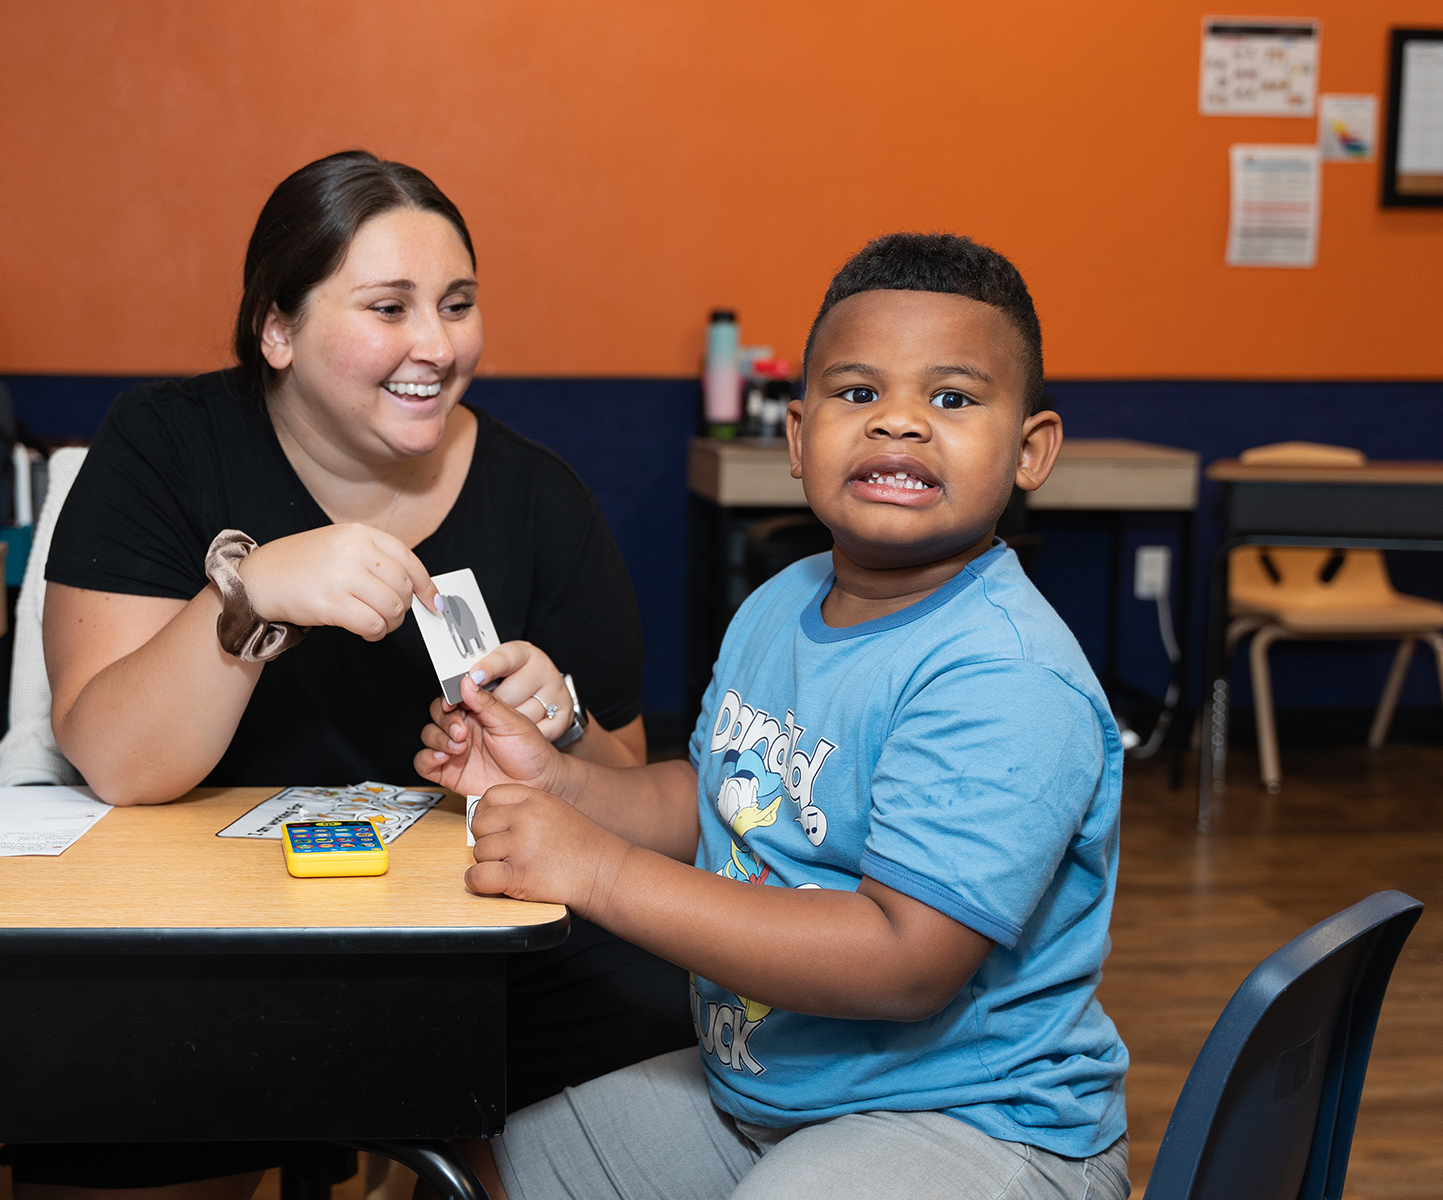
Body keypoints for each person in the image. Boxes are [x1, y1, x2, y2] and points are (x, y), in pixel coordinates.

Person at [26, 151, 688, 1197]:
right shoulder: (165, 445)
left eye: (458, 304)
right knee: (99, 1096)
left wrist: (553, 729)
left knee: (661, 1034)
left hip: (477, 946)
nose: (437, 345)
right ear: (277, 330)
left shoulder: (539, 499)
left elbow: (628, 787)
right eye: (390, 307)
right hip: (208, 938)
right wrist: (246, 597)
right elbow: (115, 759)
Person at [418, 233, 1131, 1200]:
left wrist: (597, 869)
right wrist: (554, 781)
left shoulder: (1003, 673)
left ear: (1032, 449)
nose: (900, 426)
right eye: (858, 393)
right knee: (482, 1160)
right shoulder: (779, 603)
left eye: (953, 398)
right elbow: (719, 795)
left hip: (972, 1122)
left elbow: (902, 963)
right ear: (797, 439)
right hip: (767, 1099)